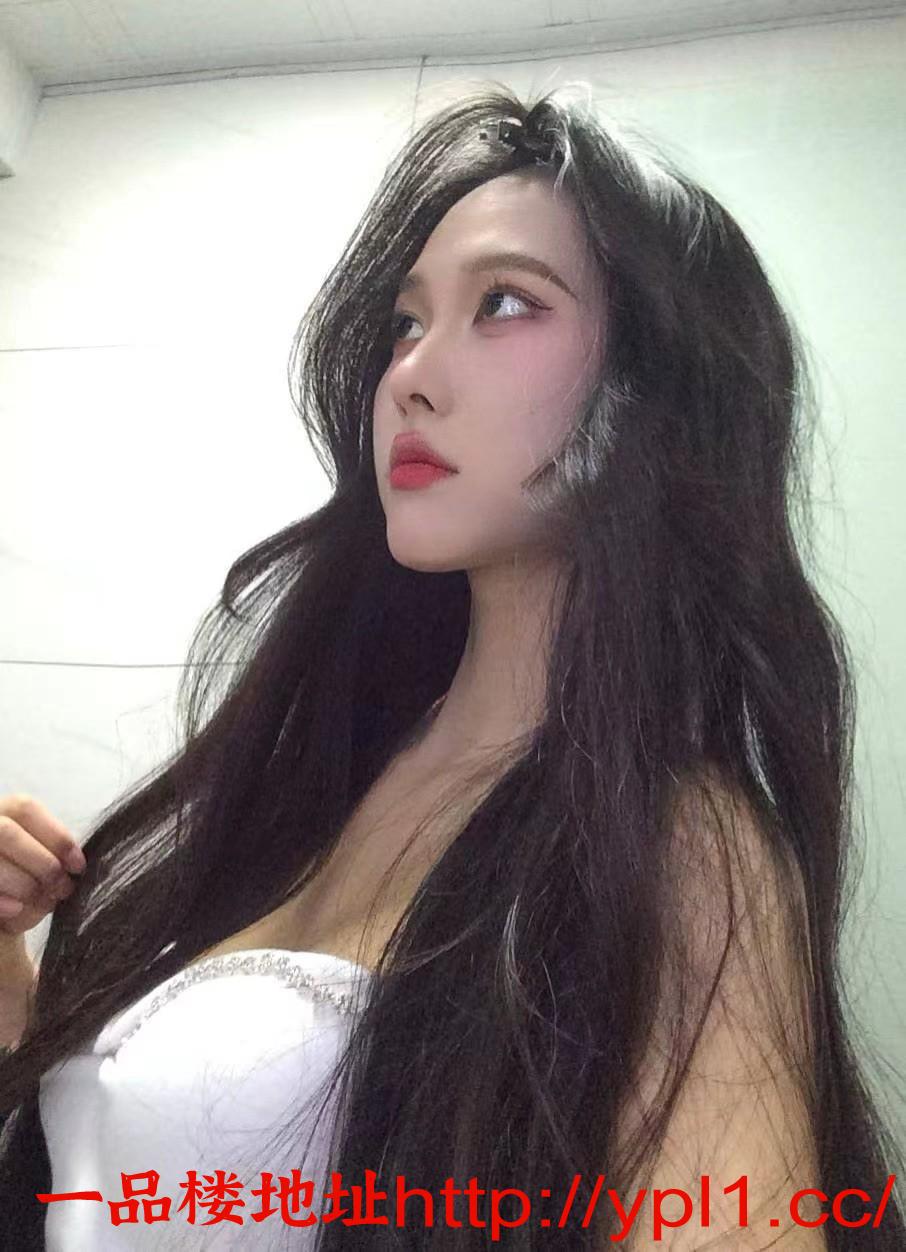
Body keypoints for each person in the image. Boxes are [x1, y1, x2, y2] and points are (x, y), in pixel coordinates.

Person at [0, 83, 903, 1249]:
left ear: (651, 391)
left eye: (505, 304)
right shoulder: (327, 766)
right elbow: (118, 1182)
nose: (411, 376)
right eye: (405, 323)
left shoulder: (679, 847)